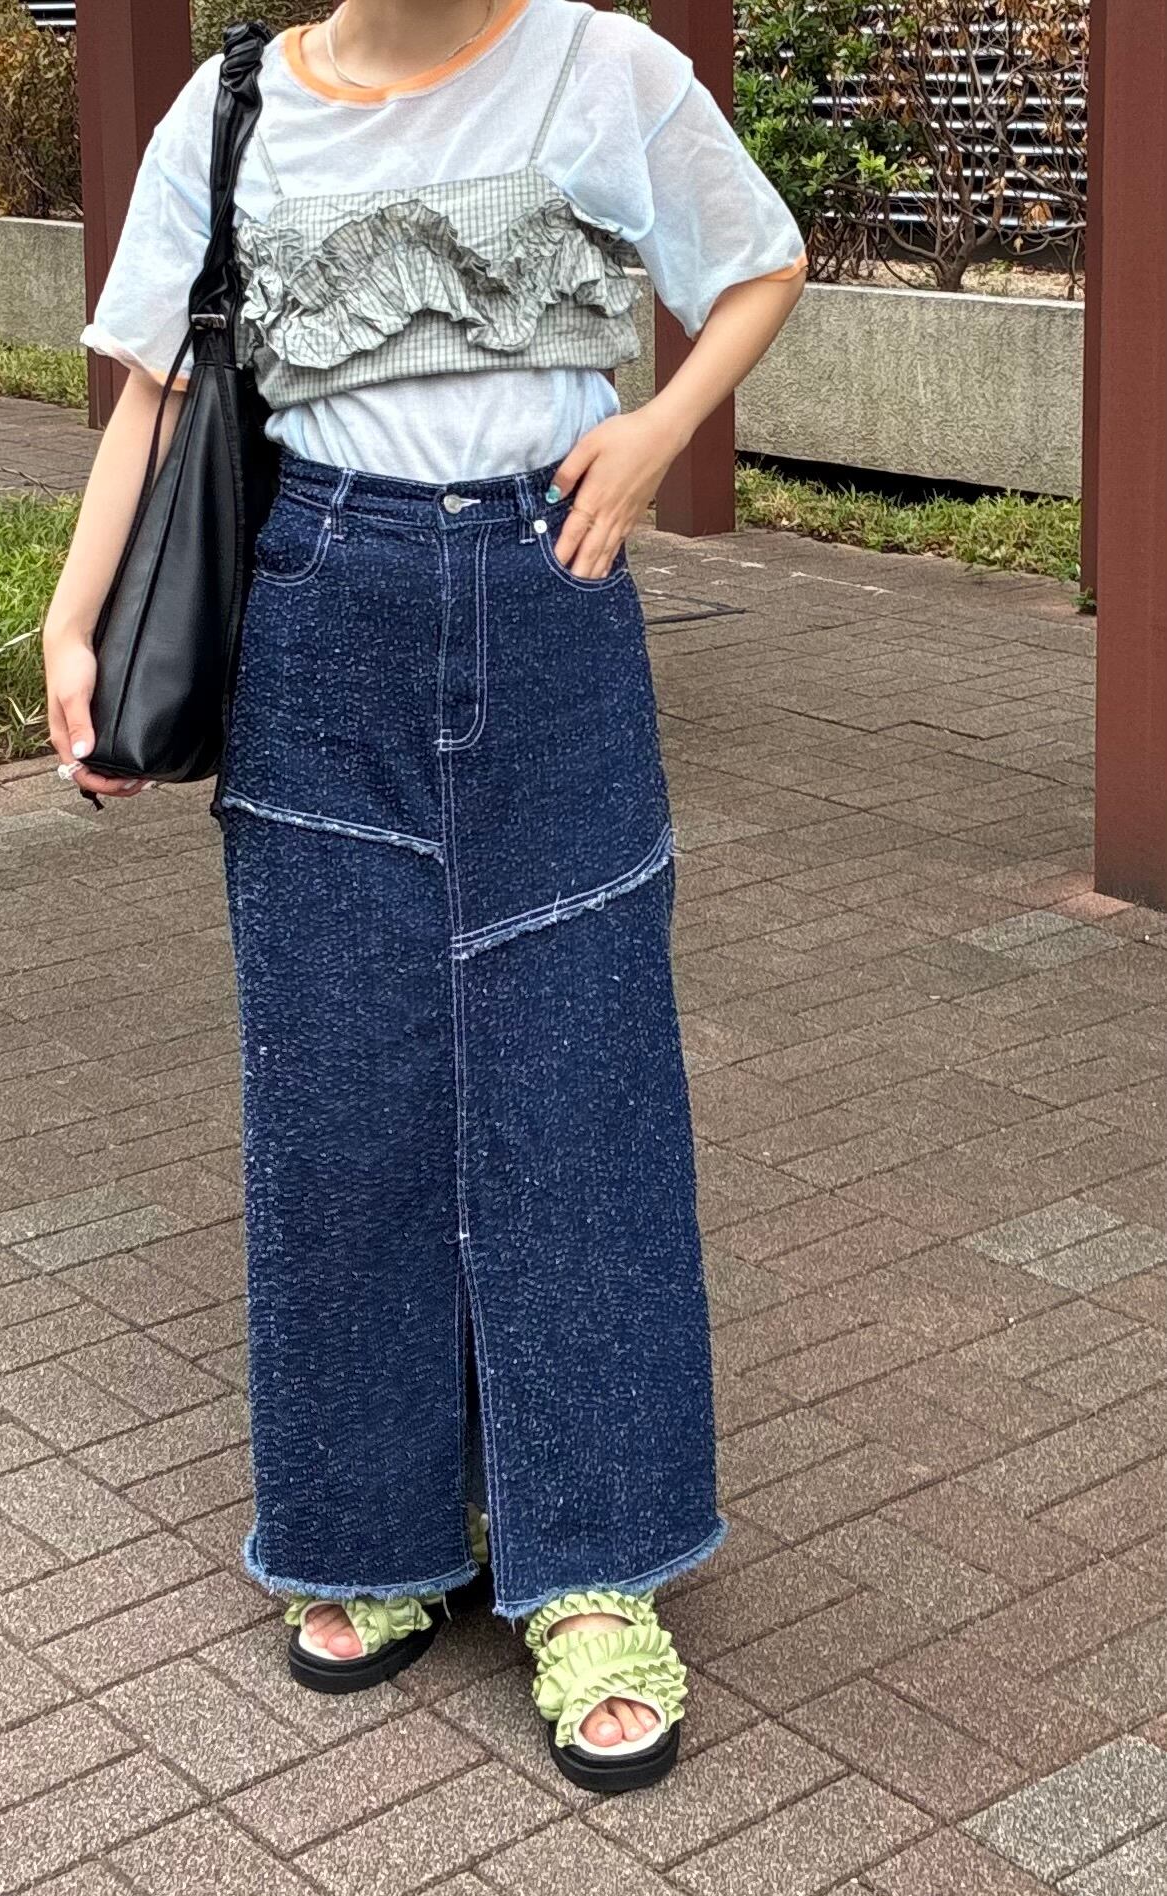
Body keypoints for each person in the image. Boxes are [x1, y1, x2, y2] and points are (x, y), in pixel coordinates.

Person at [44, 0, 804, 1793]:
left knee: (577, 1084)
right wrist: (76, 624)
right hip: (315, 602)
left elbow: (758, 263)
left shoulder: (602, 67)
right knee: (341, 1089)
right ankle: (372, 1525)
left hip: (549, 596)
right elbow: (157, 390)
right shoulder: (227, 106)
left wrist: (657, 430)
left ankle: (591, 1563)